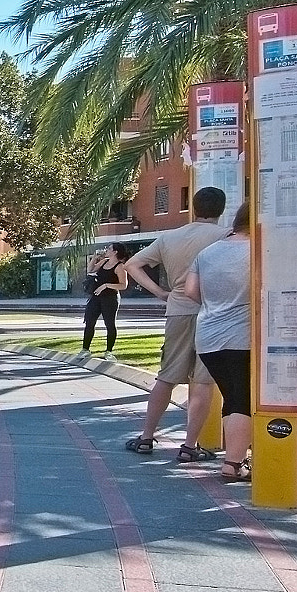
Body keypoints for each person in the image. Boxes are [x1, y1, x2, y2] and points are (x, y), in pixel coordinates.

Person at [121, 186, 227, 461]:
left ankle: (146, 437)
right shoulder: (225, 236)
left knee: (166, 376)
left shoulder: (171, 237)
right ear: (222, 209)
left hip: (178, 309)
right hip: (214, 312)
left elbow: (132, 265)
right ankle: (190, 446)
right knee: (203, 382)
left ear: (193, 207)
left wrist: (159, 292)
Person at [184, 203, 253, 481]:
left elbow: (191, 291)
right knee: (242, 398)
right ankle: (234, 463)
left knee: (230, 395)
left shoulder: (207, 252)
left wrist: (217, 305)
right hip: (241, 335)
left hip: (208, 335)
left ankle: (236, 458)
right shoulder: (258, 251)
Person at [79, 243, 131, 362]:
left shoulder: (120, 267)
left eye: (109, 248)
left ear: (115, 252)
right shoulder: (104, 262)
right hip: (96, 297)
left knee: (110, 324)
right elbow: (90, 270)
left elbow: (124, 285)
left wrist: (106, 285)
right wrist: (94, 257)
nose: (106, 250)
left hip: (110, 298)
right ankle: (85, 350)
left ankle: (109, 352)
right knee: (89, 322)